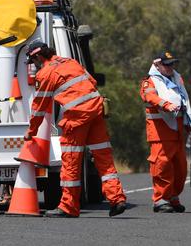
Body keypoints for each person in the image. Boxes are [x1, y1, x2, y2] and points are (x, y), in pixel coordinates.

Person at [24, 41, 127, 218]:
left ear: (39, 57)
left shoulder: (46, 73)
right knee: (104, 158)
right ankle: (117, 199)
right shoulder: (70, 62)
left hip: (77, 118)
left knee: (71, 162)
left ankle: (69, 207)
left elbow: (39, 108)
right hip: (96, 112)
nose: (34, 65)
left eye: (33, 61)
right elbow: (92, 81)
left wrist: (31, 132)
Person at [140, 51, 191, 213]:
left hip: (177, 131)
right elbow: (149, 97)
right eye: (167, 64)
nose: (171, 67)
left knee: (181, 168)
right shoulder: (149, 82)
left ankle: (172, 196)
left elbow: (184, 100)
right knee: (161, 165)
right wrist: (166, 104)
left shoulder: (178, 79)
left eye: (172, 64)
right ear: (157, 65)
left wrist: (189, 123)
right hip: (160, 131)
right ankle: (160, 199)